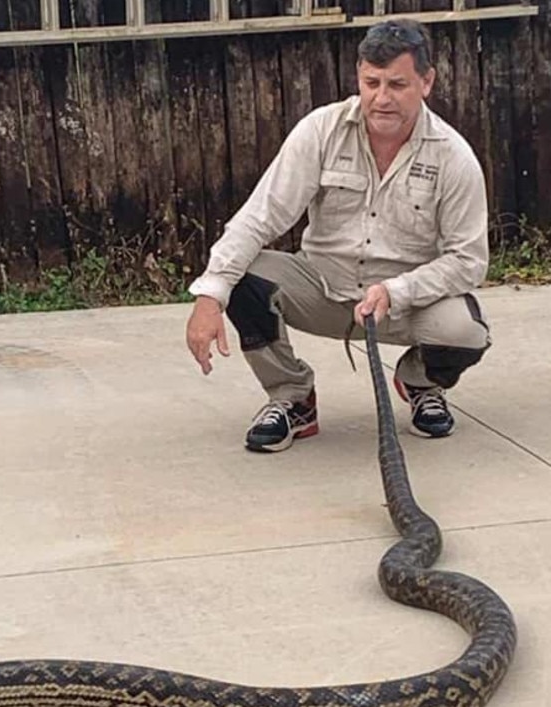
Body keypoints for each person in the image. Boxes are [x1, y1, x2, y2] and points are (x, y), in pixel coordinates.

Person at [185, 18, 490, 452]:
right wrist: (210, 296)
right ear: (359, 78)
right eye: (372, 82)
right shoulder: (321, 129)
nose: (381, 99)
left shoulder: (455, 157)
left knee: (466, 332)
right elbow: (261, 215)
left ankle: (419, 382)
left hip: (402, 304)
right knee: (242, 274)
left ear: (427, 82)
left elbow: (468, 261)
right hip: (324, 289)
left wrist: (398, 290)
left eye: (397, 85)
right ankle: (292, 398)